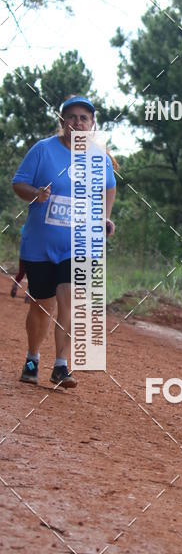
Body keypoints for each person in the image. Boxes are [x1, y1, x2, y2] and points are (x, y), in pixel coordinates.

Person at [12, 96, 117, 388]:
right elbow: (18, 183)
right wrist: (35, 193)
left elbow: (110, 188)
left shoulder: (99, 157)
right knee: (41, 306)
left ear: (92, 124)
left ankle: (61, 365)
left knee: (69, 300)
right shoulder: (43, 150)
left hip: (79, 244)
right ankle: (33, 357)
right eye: (71, 117)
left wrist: (105, 218)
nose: (77, 123)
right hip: (40, 245)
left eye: (84, 118)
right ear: (62, 122)